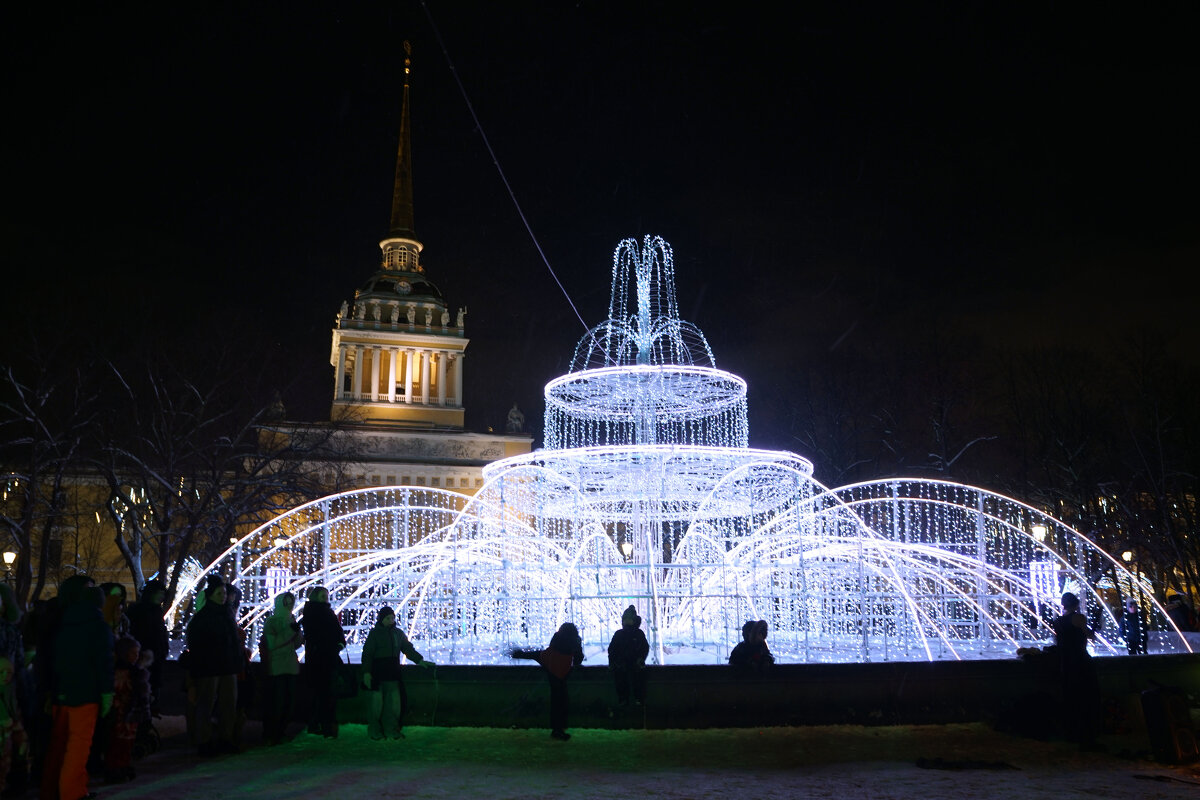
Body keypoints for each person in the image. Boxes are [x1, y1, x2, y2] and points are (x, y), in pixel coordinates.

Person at [42, 577, 112, 800]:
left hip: (61, 691)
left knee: (61, 744)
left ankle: (60, 789)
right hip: (83, 693)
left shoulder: (62, 620)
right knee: (78, 745)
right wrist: (106, 692)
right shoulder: (94, 624)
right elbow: (103, 661)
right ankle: (72, 792)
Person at [185, 576, 241, 755]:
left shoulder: (227, 614)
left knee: (228, 704)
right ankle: (204, 740)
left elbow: (234, 641)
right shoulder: (203, 618)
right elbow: (196, 645)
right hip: (209, 667)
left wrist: (237, 660)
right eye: (219, 593)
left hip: (227, 666)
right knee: (206, 704)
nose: (223, 596)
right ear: (210, 596)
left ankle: (225, 738)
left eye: (224, 593)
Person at [360, 606, 435, 741]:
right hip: (377, 674)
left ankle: (392, 730)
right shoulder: (374, 634)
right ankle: (375, 730)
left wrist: (419, 660)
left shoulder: (398, 634)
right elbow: (367, 654)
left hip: (392, 673)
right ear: (381, 619)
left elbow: (407, 648)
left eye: (392, 618)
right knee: (375, 705)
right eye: (388, 618)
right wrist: (366, 672)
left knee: (394, 705)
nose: (391, 620)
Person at [509, 622, 584, 741]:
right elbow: (578, 658)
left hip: (549, 660)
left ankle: (516, 654)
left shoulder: (557, 636)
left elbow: (548, 649)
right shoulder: (575, 640)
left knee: (556, 699)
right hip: (562, 668)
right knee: (561, 700)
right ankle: (559, 729)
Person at [1052, 592, 1100, 748]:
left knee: (1070, 697)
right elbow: (1090, 636)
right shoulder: (1078, 618)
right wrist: (1095, 625)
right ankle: (1086, 733)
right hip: (1081, 661)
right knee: (1085, 697)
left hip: (1065, 662)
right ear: (1076, 604)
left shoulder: (1057, 621)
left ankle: (1071, 732)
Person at [103, 635, 151, 784]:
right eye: (132, 653)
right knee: (118, 742)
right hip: (123, 712)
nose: (136, 656)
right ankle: (115, 767)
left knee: (126, 742)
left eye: (137, 653)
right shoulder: (124, 673)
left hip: (130, 712)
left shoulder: (135, 671)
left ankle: (122, 765)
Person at [300, 585, 346, 739]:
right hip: (322, 657)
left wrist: (339, 643)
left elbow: (336, 631)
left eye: (326, 595)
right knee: (325, 694)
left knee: (320, 693)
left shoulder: (315, 612)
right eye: (322, 596)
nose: (326, 598)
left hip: (321, 656)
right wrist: (337, 644)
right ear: (315, 597)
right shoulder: (318, 612)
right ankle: (325, 726)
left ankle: (318, 724)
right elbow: (325, 633)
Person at [261, 591, 303, 746]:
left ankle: (281, 731)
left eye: (291, 602)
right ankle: (273, 733)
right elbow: (273, 644)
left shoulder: (291, 618)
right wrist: (291, 631)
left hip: (291, 665)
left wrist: (298, 633)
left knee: (289, 702)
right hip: (277, 666)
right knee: (278, 702)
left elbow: (297, 644)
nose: (289, 605)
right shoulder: (271, 621)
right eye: (286, 602)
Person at [125, 579, 169, 714]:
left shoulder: (156, 611)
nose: (162, 597)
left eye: (163, 594)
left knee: (152, 691)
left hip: (155, 657)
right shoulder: (139, 611)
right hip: (142, 657)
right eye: (159, 593)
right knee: (142, 692)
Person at [607, 605, 649, 706]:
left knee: (623, 681)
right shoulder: (638, 634)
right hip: (631, 665)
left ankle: (624, 700)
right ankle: (637, 699)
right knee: (636, 681)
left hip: (623, 665)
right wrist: (641, 659)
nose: (626, 622)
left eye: (628, 619)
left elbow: (612, 650)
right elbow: (644, 648)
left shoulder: (620, 634)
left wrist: (613, 662)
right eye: (625, 619)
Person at [0, 656, 27, 797]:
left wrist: (21, 738)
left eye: (8, 672)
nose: (5, 676)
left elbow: (15, 716)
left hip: (8, 741)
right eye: (1, 672)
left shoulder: (10, 690)